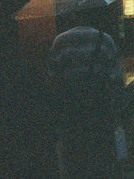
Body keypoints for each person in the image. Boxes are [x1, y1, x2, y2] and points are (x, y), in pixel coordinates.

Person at [49, 25, 125, 177]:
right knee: (102, 158)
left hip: (72, 114)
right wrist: (117, 112)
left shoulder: (60, 42)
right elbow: (116, 80)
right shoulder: (105, 40)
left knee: (76, 160)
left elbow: (54, 82)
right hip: (100, 110)